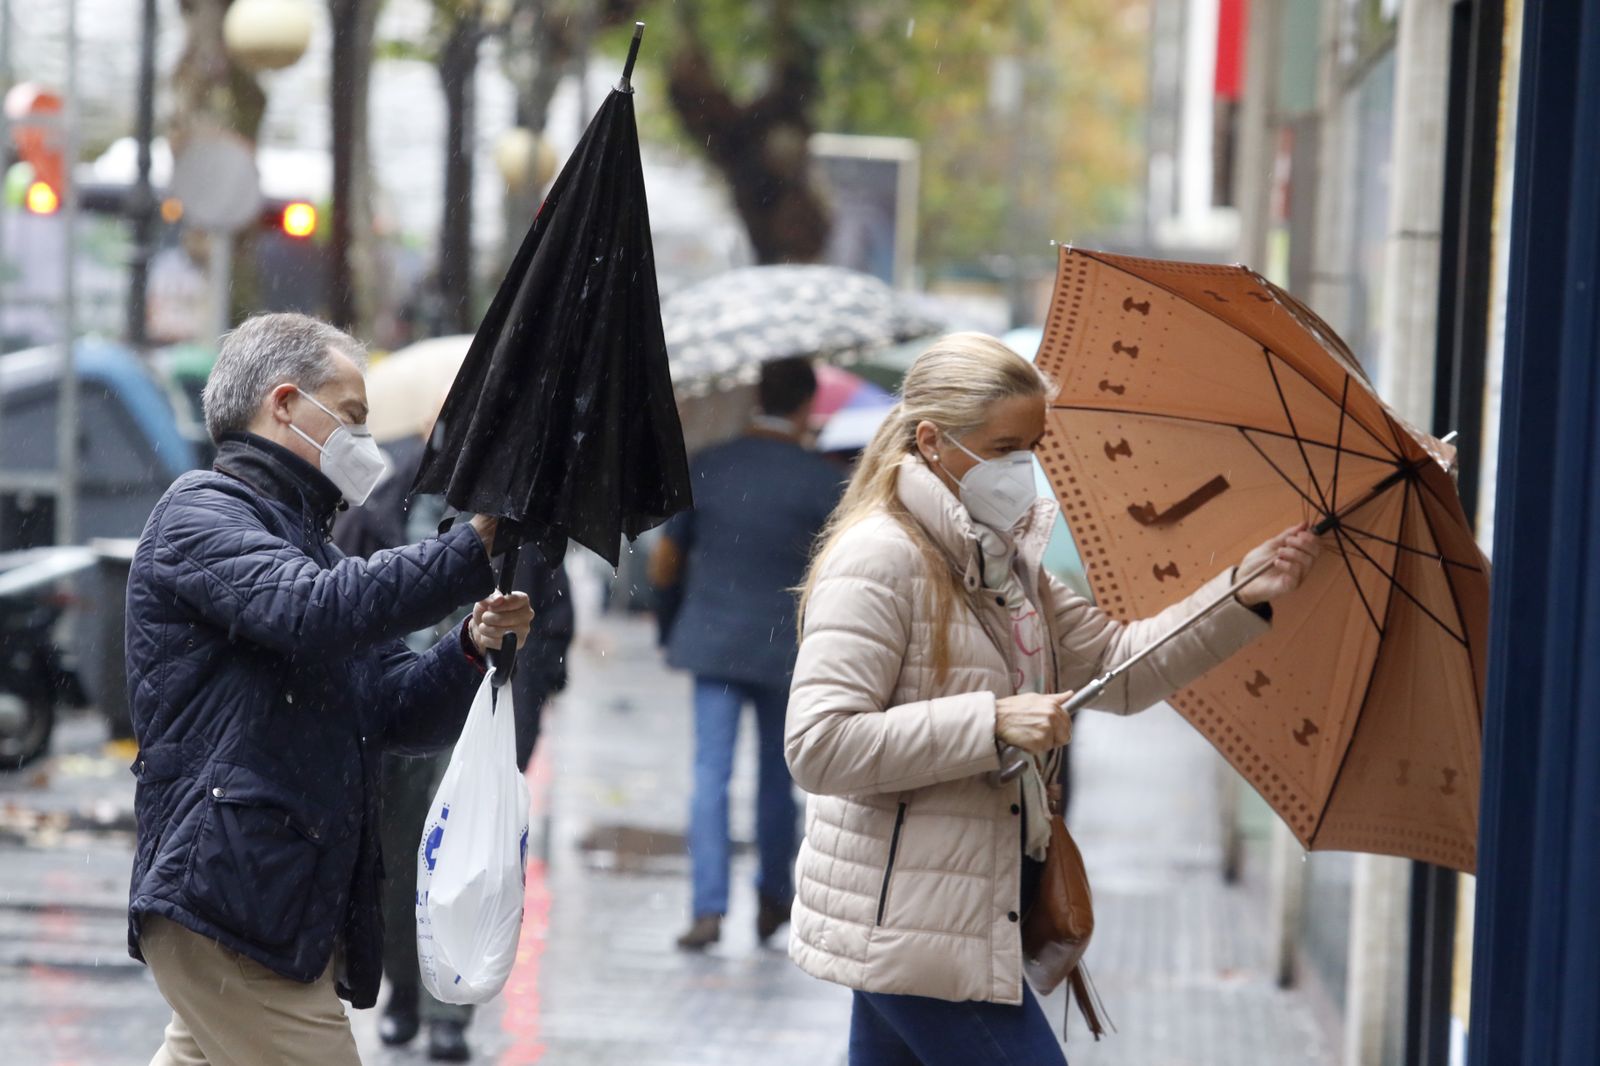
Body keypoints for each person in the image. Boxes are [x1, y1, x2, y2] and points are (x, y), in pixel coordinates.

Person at [785, 333, 1320, 1064]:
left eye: (1032, 446)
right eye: (1006, 446)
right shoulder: (882, 557)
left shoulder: (1001, 560)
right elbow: (818, 745)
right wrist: (993, 721)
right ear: (933, 441)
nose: (1023, 470)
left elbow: (1119, 666)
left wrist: (1239, 591)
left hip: (945, 917)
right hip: (916, 923)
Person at [124, 313, 535, 1066]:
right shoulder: (201, 512)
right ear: (284, 404)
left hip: (268, 898)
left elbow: (393, 709)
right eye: (349, 416)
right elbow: (313, 610)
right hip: (234, 901)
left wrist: (469, 646)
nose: (363, 442)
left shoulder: (307, 541)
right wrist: (469, 547)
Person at [333, 422, 574, 1062]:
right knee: (392, 859)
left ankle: (449, 1013)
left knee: (462, 864)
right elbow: (347, 592)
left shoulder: (514, 510)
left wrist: (530, 688)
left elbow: (552, 617)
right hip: (393, 708)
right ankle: (405, 989)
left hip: (475, 709)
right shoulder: (386, 493)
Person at [649, 356, 843, 951]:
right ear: (808, 404)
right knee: (777, 780)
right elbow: (836, 571)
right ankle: (773, 898)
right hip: (786, 650)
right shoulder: (821, 480)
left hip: (712, 641)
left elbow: (666, 561)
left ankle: (707, 908)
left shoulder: (709, 465)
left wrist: (669, 623)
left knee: (710, 774)